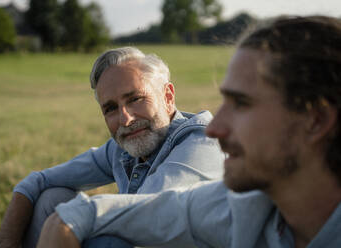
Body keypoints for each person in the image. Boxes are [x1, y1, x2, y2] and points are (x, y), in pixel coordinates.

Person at [37, 16, 341, 248]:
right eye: (111, 108)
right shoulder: (245, 207)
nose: (216, 128)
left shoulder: (198, 146)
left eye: (242, 104)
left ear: (315, 120)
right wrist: (70, 217)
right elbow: (165, 209)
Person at [0, 47, 224, 248]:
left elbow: (147, 211)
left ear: (167, 96)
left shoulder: (202, 139)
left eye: (135, 99)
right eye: (111, 108)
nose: (125, 120)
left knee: (110, 241)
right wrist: (7, 242)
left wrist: (72, 218)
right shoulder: (124, 147)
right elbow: (40, 181)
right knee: (51, 199)